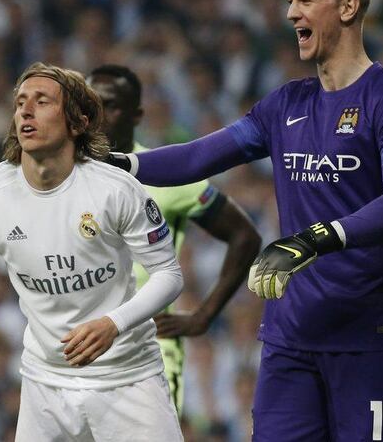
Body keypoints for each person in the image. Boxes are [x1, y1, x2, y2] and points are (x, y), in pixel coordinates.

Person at [108, 0, 383, 441]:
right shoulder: (285, 105)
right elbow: (199, 158)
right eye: (289, 1)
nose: (290, 13)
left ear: (347, 7)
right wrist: (121, 164)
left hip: (366, 336)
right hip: (290, 337)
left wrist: (314, 239)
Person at [0, 62, 184, 441]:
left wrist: (114, 324)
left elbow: (169, 275)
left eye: (42, 102)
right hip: (45, 383)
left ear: (77, 122)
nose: (26, 110)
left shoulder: (115, 190)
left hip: (128, 377)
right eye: (21, 102)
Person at [88, 64, 262, 412]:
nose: (98, 116)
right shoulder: (66, 177)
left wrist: (203, 316)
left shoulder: (162, 172)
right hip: (83, 346)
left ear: (136, 114)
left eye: (110, 105)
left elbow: (245, 236)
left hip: (150, 347)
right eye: (90, 105)